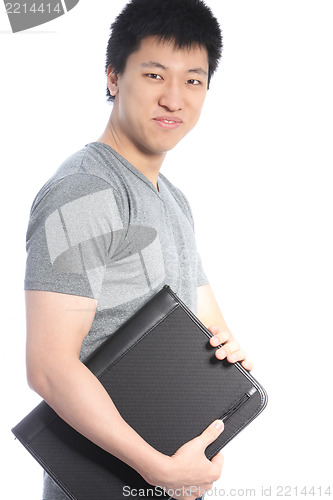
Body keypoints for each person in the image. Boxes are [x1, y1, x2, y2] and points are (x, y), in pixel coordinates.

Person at [24, 0, 253, 499]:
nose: (174, 99)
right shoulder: (85, 191)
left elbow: (210, 328)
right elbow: (48, 365)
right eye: (154, 74)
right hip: (104, 485)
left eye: (193, 80)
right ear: (113, 77)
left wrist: (225, 363)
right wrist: (159, 469)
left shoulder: (173, 200)